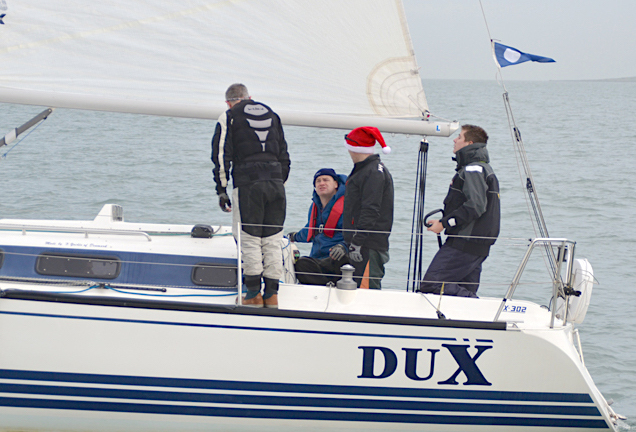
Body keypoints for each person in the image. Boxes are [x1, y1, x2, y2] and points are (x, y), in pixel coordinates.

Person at [211, 83, 290, 308]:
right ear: (249, 97)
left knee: (250, 239)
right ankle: (272, 294)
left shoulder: (229, 116)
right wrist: (279, 180)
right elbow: (284, 153)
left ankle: (253, 294)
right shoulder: (272, 114)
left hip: (248, 184)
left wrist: (221, 190)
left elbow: (221, 155)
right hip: (276, 183)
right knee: (272, 239)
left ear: (228, 102)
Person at [419, 124, 500, 298]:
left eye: (459, 137)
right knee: (464, 291)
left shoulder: (473, 170)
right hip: (475, 245)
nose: (454, 140)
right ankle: (473, 307)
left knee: (431, 284)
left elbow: (475, 206)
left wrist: (444, 224)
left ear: (469, 143)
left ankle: (477, 303)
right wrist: (443, 221)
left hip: (464, 243)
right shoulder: (482, 168)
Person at [342, 126, 394, 289]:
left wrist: (357, 242)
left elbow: (370, 210)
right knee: (358, 288)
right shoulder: (367, 170)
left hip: (367, 245)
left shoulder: (372, 172)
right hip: (362, 244)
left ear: (354, 148)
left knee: (366, 290)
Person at [287, 168, 349, 285]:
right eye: (318, 181)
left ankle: (328, 284)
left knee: (343, 260)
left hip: (337, 258)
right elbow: (309, 231)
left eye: (326, 180)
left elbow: (355, 233)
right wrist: (293, 237)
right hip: (318, 260)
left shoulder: (348, 205)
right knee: (300, 263)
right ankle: (327, 284)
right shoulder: (315, 206)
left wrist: (343, 246)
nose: (321, 183)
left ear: (336, 184)